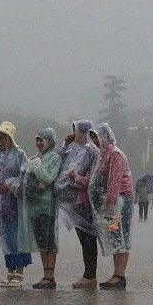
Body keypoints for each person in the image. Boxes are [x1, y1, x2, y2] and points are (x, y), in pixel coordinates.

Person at [77, 123, 133, 289]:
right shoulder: (102, 155)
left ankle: (120, 275)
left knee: (121, 236)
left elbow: (115, 181)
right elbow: (94, 179)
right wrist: (77, 179)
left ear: (107, 136)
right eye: (93, 137)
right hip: (108, 203)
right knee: (115, 237)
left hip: (120, 201)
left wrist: (110, 203)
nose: (95, 140)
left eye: (98, 136)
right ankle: (116, 274)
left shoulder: (115, 154)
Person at [0, 121, 32, 288]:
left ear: (10, 139)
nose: (0, 141)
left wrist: (10, 183)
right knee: (5, 240)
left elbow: (25, 174)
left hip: (14, 205)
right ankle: (10, 270)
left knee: (17, 238)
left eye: (3, 138)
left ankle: (19, 272)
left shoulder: (19, 154)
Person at [56, 120, 100, 288]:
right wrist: (65, 144)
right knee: (84, 238)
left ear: (83, 131)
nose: (73, 133)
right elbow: (59, 160)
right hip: (75, 199)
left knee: (88, 238)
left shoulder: (88, 149)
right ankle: (88, 274)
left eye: (76, 130)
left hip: (83, 199)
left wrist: (59, 184)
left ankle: (90, 275)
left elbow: (76, 170)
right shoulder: (76, 148)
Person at [17, 128, 62, 289]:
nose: (39, 143)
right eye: (37, 140)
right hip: (34, 206)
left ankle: (51, 275)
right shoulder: (36, 157)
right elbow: (25, 175)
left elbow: (47, 178)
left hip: (46, 206)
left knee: (49, 241)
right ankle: (45, 274)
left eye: (42, 140)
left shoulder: (55, 158)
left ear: (50, 141)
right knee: (42, 242)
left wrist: (35, 166)